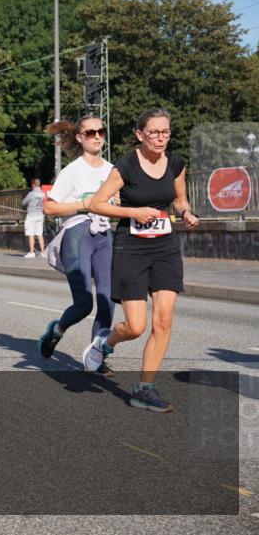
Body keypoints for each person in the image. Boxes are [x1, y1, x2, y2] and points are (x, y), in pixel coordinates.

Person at [82, 109, 199, 412]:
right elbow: (97, 203)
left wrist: (185, 212)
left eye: (166, 132)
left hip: (165, 248)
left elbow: (179, 198)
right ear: (140, 134)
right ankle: (104, 344)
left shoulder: (176, 163)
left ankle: (144, 389)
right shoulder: (126, 166)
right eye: (154, 132)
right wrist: (134, 212)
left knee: (163, 321)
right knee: (135, 326)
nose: (161, 138)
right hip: (131, 248)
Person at [36, 117, 115, 375]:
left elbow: (120, 204)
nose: (96, 136)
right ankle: (56, 330)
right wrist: (85, 204)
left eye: (100, 131)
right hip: (78, 232)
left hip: (104, 233)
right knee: (84, 304)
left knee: (107, 299)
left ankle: (97, 356)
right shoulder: (72, 170)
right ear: (80, 138)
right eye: (90, 132)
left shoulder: (113, 170)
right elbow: (49, 207)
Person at [21, 178, 46, 258]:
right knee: (39, 234)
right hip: (40, 215)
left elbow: (23, 202)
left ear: (34, 185)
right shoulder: (42, 194)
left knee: (31, 234)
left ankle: (32, 252)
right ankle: (43, 252)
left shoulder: (31, 194)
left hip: (31, 215)